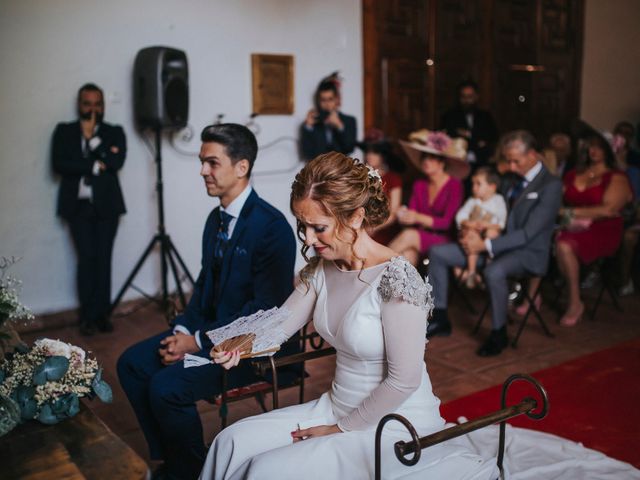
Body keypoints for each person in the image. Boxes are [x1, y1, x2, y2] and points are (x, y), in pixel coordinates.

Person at [199, 152, 498, 480]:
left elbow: (404, 379)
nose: (309, 240)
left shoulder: (397, 279)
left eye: (319, 227)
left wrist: (339, 429)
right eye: (304, 226)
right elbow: (281, 323)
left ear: (355, 217)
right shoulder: (322, 270)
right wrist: (239, 346)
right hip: (335, 405)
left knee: (266, 471)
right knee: (230, 441)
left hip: (392, 421)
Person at [117, 124, 296, 480]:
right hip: (205, 336)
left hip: (247, 352)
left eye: (211, 163)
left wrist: (197, 342)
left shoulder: (271, 227)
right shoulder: (214, 219)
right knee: (132, 364)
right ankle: (172, 460)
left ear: (241, 167)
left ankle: (189, 472)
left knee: (166, 387)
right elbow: (204, 287)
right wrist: (183, 329)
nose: (203, 171)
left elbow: (265, 312)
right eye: (202, 162)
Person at [428, 131, 562, 356]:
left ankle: (498, 333)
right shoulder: (510, 178)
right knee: (437, 253)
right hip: (493, 245)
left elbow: (529, 233)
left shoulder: (551, 185)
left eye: (515, 161)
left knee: (494, 271)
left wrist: (485, 246)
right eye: (507, 160)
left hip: (527, 252)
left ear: (532, 155)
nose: (510, 165)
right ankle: (440, 316)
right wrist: (470, 231)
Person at [52, 83, 126, 335]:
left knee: (104, 260)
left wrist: (92, 140)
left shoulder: (114, 132)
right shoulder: (64, 131)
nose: (93, 109)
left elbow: (115, 162)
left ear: (103, 106)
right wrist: (95, 166)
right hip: (78, 207)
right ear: (79, 104)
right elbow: (60, 164)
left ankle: (102, 315)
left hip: (108, 207)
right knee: (86, 260)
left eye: (98, 103)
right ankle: (86, 316)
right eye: (88, 103)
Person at [554, 133, 633, 326]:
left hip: (603, 229)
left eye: (599, 146)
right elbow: (556, 203)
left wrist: (570, 212)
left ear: (608, 150)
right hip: (571, 225)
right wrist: (567, 214)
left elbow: (609, 210)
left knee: (564, 245)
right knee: (549, 237)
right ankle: (532, 296)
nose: (593, 150)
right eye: (590, 146)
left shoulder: (616, 177)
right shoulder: (573, 174)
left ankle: (574, 302)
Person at [388, 129, 466, 266]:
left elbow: (447, 223)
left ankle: (369, 268)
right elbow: (411, 216)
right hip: (418, 236)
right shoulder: (420, 185)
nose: (425, 161)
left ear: (442, 162)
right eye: (424, 157)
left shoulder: (455, 185)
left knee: (410, 235)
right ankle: (392, 287)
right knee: (407, 255)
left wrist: (417, 217)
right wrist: (403, 215)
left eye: (431, 157)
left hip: (444, 239)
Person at [455, 167, 507, 288]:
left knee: (492, 234)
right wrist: (469, 224)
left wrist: (486, 225)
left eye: (478, 184)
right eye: (473, 184)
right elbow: (460, 216)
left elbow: (501, 222)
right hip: (473, 232)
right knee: (471, 235)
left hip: (489, 231)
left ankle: (489, 266)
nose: (474, 187)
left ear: (492, 187)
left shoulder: (498, 201)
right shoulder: (473, 201)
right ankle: (472, 272)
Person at [358, 127, 404, 245]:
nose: (369, 155)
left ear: (383, 155)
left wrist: (373, 228)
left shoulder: (393, 179)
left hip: (384, 228)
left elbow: (393, 213)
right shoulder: (359, 177)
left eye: (375, 151)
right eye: (367, 151)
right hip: (361, 226)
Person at [440, 79, 499, 168]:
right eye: (463, 96)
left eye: (470, 96)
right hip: (457, 163)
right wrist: (477, 140)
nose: (467, 100)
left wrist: (468, 134)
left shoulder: (485, 116)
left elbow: (493, 136)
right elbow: (447, 136)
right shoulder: (450, 116)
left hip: (481, 163)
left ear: (476, 97)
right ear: (459, 98)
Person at [300, 73, 357, 160]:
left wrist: (339, 126)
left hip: (341, 171)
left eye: (330, 99)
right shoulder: (312, 123)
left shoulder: (350, 120)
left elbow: (349, 149)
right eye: (323, 100)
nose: (327, 104)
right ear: (318, 101)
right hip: (318, 171)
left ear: (336, 99)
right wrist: (308, 127)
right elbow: (307, 153)